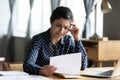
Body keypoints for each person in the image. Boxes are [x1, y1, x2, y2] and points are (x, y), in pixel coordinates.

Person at [23, 6, 88, 77]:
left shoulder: (68, 40)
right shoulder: (38, 39)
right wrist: (40, 70)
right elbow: (27, 65)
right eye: (58, 25)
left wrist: (77, 38)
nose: (61, 31)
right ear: (51, 21)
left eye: (66, 27)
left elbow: (82, 65)